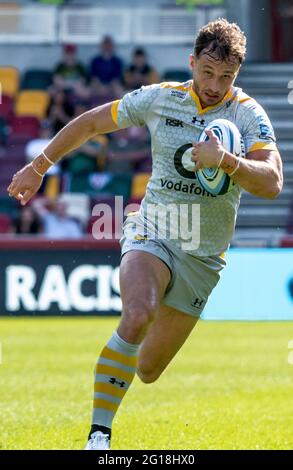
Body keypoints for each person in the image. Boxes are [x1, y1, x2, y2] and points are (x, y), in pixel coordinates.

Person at [7, 18, 283, 450]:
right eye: (207, 73)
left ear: (237, 75)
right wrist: (39, 165)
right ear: (192, 63)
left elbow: (272, 182)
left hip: (203, 255)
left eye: (225, 77)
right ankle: (99, 437)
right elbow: (92, 122)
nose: (214, 84)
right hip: (152, 228)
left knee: (148, 369)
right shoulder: (160, 98)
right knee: (137, 313)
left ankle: (117, 380)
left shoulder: (247, 114)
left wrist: (226, 160)